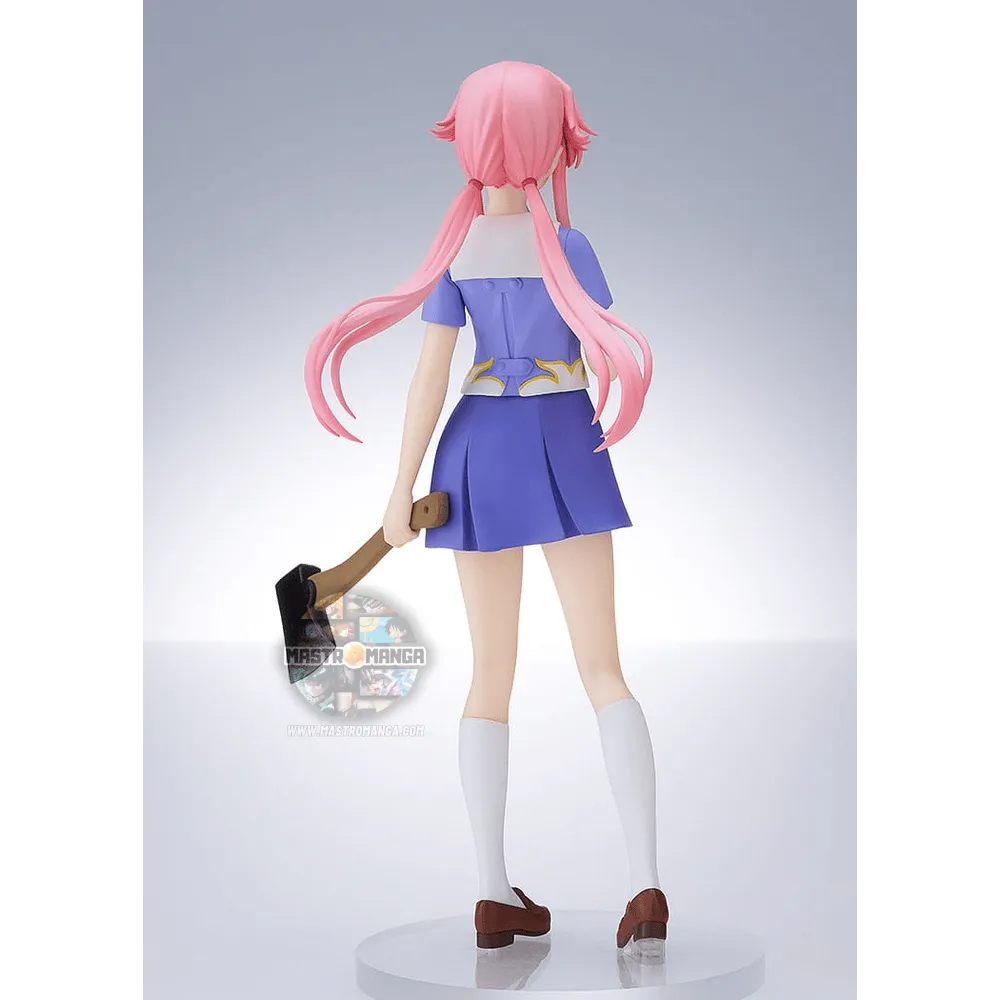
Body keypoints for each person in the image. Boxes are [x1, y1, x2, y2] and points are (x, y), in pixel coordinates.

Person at [305, 61, 667, 958]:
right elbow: (598, 350)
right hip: (566, 441)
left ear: (466, 142)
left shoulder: (456, 254)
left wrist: (399, 488)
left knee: (489, 674)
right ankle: (647, 884)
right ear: (553, 144)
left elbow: (430, 376)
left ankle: (491, 893)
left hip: (476, 449)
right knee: (603, 667)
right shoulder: (571, 250)